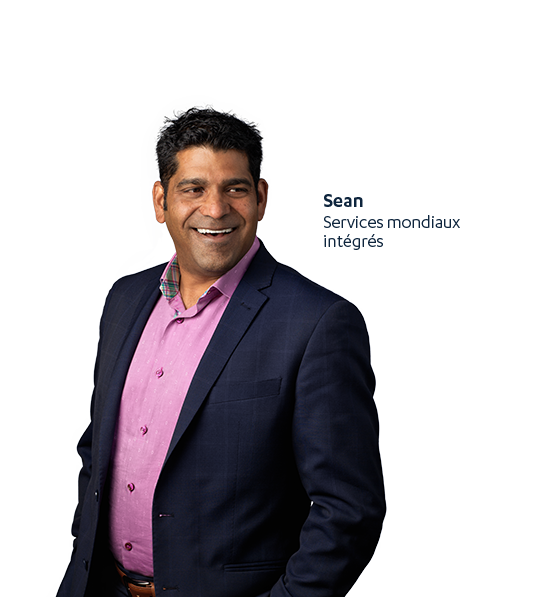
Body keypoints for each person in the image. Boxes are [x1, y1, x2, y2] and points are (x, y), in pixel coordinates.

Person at [55, 105, 385, 597]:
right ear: (161, 200)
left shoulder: (318, 324)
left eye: (235, 188)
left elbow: (348, 511)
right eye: (193, 189)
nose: (215, 209)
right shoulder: (124, 300)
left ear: (261, 198)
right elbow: (98, 450)